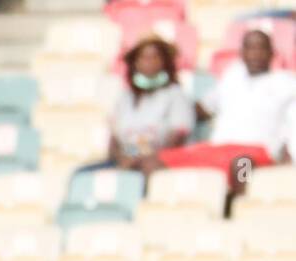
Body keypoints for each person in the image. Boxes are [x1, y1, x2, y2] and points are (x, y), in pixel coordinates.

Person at [161, 30, 296, 181]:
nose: (255, 54)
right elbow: (203, 108)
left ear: (272, 53)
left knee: (242, 166)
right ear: (242, 53)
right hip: (218, 150)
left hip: (256, 152)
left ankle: (242, 204)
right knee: (158, 162)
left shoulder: (287, 83)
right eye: (250, 48)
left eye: (261, 48)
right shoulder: (232, 77)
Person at [101, 35, 192, 176]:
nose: (149, 62)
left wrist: (142, 158)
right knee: (82, 175)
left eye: (155, 57)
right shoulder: (124, 97)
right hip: (125, 160)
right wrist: (123, 158)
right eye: (143, 57)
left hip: (156, 162)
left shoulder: (175, 95)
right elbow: (114, 142)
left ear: (165, 62)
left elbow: (177, 138)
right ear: (135, 63)